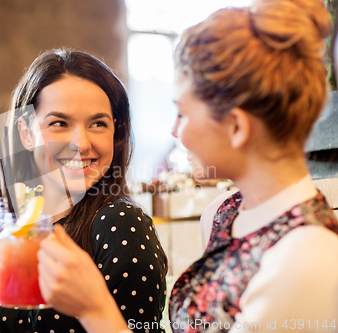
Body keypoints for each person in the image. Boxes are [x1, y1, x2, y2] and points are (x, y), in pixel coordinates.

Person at [37, 0, 338, 332]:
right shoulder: (222, 213)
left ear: (236, 127)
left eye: (183, 112)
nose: (174, 130)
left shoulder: (308, 256)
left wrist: (94, 309)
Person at [0, 49, 168, 333]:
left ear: (115, 132)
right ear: (25, 132)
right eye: (59, 123)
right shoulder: (15, 223)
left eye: (98, 123)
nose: (81, 143)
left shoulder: (121, 224)